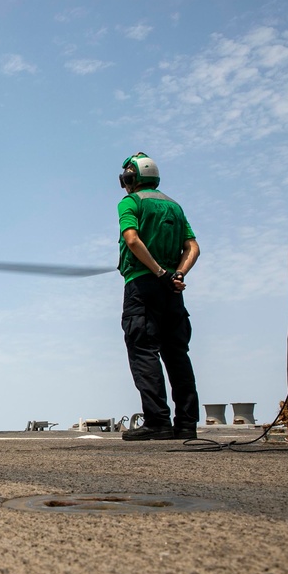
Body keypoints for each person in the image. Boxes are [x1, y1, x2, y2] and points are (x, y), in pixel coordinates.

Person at [116, 152, 200, 440]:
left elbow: (132, 239)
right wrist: (178, 274)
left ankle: (158, 421)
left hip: (143, 287)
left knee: (143, 351)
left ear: (130, 178)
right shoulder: (174, 207)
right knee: (177, 354)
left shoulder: (131, 202)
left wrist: (158, 272)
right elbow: (193, 247)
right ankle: (187, 424)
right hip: (171, 292)